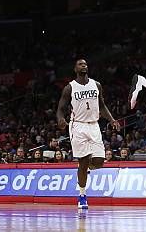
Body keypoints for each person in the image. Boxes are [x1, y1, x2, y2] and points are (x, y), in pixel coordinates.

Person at [57, 59, 120, 209]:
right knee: (84, 161)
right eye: (80, 64)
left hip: (94, 125)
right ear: (75, 69)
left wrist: (111, 120)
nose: (83, 65)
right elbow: (60, 108)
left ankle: (83, 170)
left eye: (85, 63)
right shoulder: (69, 88)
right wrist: (60, 119)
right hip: (78, 126)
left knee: (99, 162)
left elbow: (102, 106)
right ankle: (82, 196)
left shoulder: (96, 84)